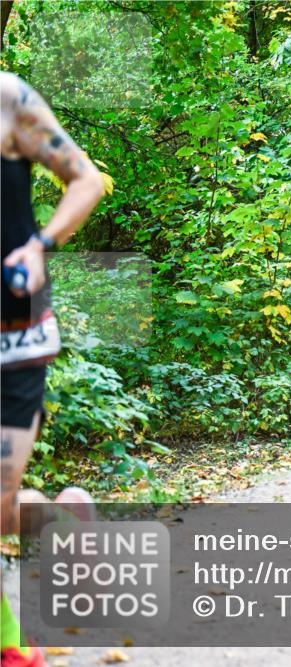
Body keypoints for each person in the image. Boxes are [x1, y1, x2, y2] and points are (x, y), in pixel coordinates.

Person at [2, 72, 105, 667]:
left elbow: (85, 180)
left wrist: (40, 245)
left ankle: (13, 650)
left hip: (13, 337)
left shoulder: (8, 99)